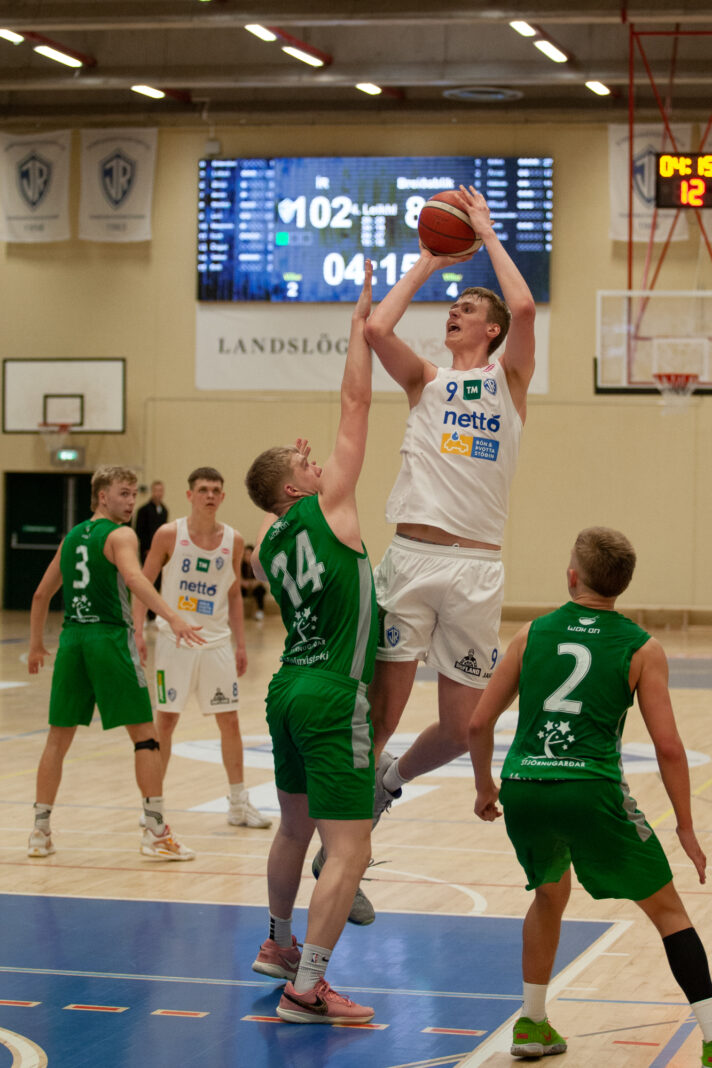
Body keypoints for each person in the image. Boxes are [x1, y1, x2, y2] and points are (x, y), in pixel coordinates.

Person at [354, 185, 536, 907]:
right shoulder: (425, 382)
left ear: (490, 331)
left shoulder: (508, 381)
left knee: (463, 730)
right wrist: (429, 260)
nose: (453, 313)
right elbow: (376, 328)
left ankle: (385, 786)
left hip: (476, 567)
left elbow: (525, 308)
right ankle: (347, 857)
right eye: (451, 306)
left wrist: (484, 232)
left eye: (466, 307)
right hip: (411, 560)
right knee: (382, 716)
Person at [468, 526, 712, 1064]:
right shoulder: (642, 647)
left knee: (549, 894)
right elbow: (669, 747)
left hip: (525, 787)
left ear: (572, 576)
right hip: (591, 790)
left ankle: (531, 1022)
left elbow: (479, 722)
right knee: (669, 911)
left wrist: (485, 784)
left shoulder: (530, 634)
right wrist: (686, 826)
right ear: (622, 584)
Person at [244, 260, 377, 1024]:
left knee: (294, 827)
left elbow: (284, 498)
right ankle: (308, 989)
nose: (319, 461)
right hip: (329, 693)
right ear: (298, 489)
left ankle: (278, 944)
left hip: (287, 688)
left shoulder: (271, 538)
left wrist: (291, 476)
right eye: (307, 464)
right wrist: (359, 330)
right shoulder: (330, 506)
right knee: (350, 849)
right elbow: (355, 404)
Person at [27, 464, 203, 862]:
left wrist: (37, 644)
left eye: (133, 494)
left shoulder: (72, 537)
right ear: (102, 495)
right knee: (146, 737)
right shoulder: (121, 535)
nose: (130, 501)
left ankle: (40, 831)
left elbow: (40, 595)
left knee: (57, 739)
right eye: (123, 493)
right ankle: (156, 832)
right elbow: (135, 579)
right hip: (108, 639)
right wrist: (172, 616)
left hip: (72, 640)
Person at [133, 467, 271, 830]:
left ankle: (238, 804)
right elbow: (142, 582)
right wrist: (137, 631)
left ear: (222, 497)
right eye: (203, 489)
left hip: (217, 644)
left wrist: (241, 644)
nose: (209, 495)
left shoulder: (233, 540)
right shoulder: (168, 534)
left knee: (230, 721)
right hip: (173, 642)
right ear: (190, 495)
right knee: (166, 721)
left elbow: (234, 595)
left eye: (215, 490)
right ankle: (152, 808)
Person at [135, 480, 169, 620]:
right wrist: (148, 548)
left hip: (161, 553)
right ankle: (144, 614)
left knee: (158, 582)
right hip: (147, 552)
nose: (158, 493)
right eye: (156, 490)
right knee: (147, 582)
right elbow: (139, 531)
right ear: (152, 492)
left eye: (161, 491)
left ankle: (153, 615)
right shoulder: (143, 510)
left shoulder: (164, 510)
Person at [241, 543, 267, 621]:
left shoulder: (258, 564)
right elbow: (237, 578)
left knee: (260, 590)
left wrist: (253, 583)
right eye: (245, 555)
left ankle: (260, 612)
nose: (247, 557)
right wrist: (243, 583)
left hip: (255, 586)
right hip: (244, 587)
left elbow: (262, 579)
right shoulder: (241, 565)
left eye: (249, 554)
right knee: (236, 590)